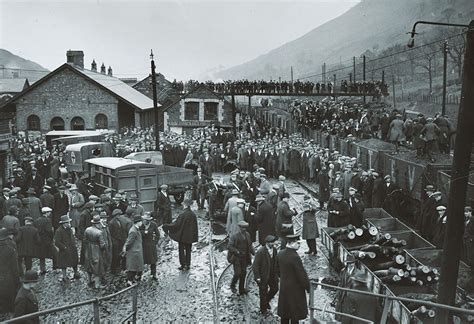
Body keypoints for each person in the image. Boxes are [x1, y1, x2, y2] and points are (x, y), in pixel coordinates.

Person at [277, 234, 309, 324]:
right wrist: (308, 287)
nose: (299, 245)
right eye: (298, 243)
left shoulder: (280, 253)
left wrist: (284, 279)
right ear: (291, 243)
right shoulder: (295, 257)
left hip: (284, 288)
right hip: (295, 291)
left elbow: (277, 270)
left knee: (285, 313)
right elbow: (301, 275)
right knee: (295, 314)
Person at [163, 198, 199, 270]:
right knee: (188, 250)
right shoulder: (193, 214)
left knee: (181, 250)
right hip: (190, 237)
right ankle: (187, 265)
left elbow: (176, 225)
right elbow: (195, 227)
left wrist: (166, 226)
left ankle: (183, 265)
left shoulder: (182, 214)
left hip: (182, 236)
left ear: (185, 205)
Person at [253, 235, 279, 316]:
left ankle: (266, 301)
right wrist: (257, 277)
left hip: (272, 275)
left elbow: (276, 262)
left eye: (273, 242)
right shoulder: (261, 252)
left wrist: (278, 274)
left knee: (275, 289)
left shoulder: (274, 250)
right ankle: (263, 309)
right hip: (263, 276)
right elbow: (255, 265)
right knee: (263, 292)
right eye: (271, 242)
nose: (273, 243)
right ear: (267, 243)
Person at [228, 220, 255, 295]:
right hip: (236, 258)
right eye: (242, 228)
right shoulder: (234, 236)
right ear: (239, 227)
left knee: (243, 273)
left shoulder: (247, 235)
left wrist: (254, 253)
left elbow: (250, 245)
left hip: (245, 258)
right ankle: (232, 285)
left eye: (245, 228)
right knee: (237, 273)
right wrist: (237, 251)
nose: (244, 229)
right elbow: (229, 246)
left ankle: (241, 289)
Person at [54, 214, 80, 283]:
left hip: (72, 248)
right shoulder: (59, 231)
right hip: (64, 250)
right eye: (66, 222)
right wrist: (64, 247)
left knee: (75, 262)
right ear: (63, 223)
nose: (68, 224)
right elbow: (57, 242)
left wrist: (74, 244)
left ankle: (76, 273)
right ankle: (64, 276)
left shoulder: (70, 229)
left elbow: (72, 237)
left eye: (68, 222)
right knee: (64, 264)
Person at [0, 227, 20, 314]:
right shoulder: (11, 249)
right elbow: (15, 269)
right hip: (8, 279)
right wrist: (17, 282)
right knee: (11, 303)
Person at [83, 215, 107, 288]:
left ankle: (89, 281)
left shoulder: (87, 229)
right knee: (97, 267)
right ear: (98, 223)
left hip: (88, 249)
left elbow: (84, 240)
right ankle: (97, 285)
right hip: (97, 250)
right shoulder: (99, 232)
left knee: (89, 265)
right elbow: (102, 245)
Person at [109, 209, 132, 274]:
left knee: (120, 254)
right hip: (115, 241)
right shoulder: (111, 223)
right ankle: (113, 270)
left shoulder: (119, 221)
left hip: (119, 240)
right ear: (116, 215)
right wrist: (114, 241)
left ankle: (118, 267)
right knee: (115, 256)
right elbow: (110, 234)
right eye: (119, 215)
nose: (120, 216)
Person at [123, 215, 144, 286]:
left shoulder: (136, 229)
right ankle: (129, 281)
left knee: (135, 267)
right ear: (137, 222)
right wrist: (126, 249)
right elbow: (129, 242)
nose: (142, 223)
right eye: (141, 221)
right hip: (134, 252)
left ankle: (131, 280)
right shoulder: (133, 231)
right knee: (132, 268)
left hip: (136, 251)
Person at [34, 207, 55, 275]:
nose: (50, 214)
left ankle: (42, 269)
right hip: (47, 239)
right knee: (54, 253)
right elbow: (49, 230)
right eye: (49, 212)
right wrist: (52, 238)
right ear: (46, 213)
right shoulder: (48, 220)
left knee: (41, 255)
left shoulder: (37, 220)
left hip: (39, 239)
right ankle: (56, 267)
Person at [140, 212, 160, 280]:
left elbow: (158, 234)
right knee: (142, 260)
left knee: (153, 260)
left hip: (151, 245)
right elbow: (138, 233)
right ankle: (139, 275)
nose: (145, 221)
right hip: (143, 245)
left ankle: (153, 274)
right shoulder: (141, 225)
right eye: (144, 219)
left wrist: (155, 242)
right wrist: (144, 232)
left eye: (147, 220)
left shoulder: (153, 225)